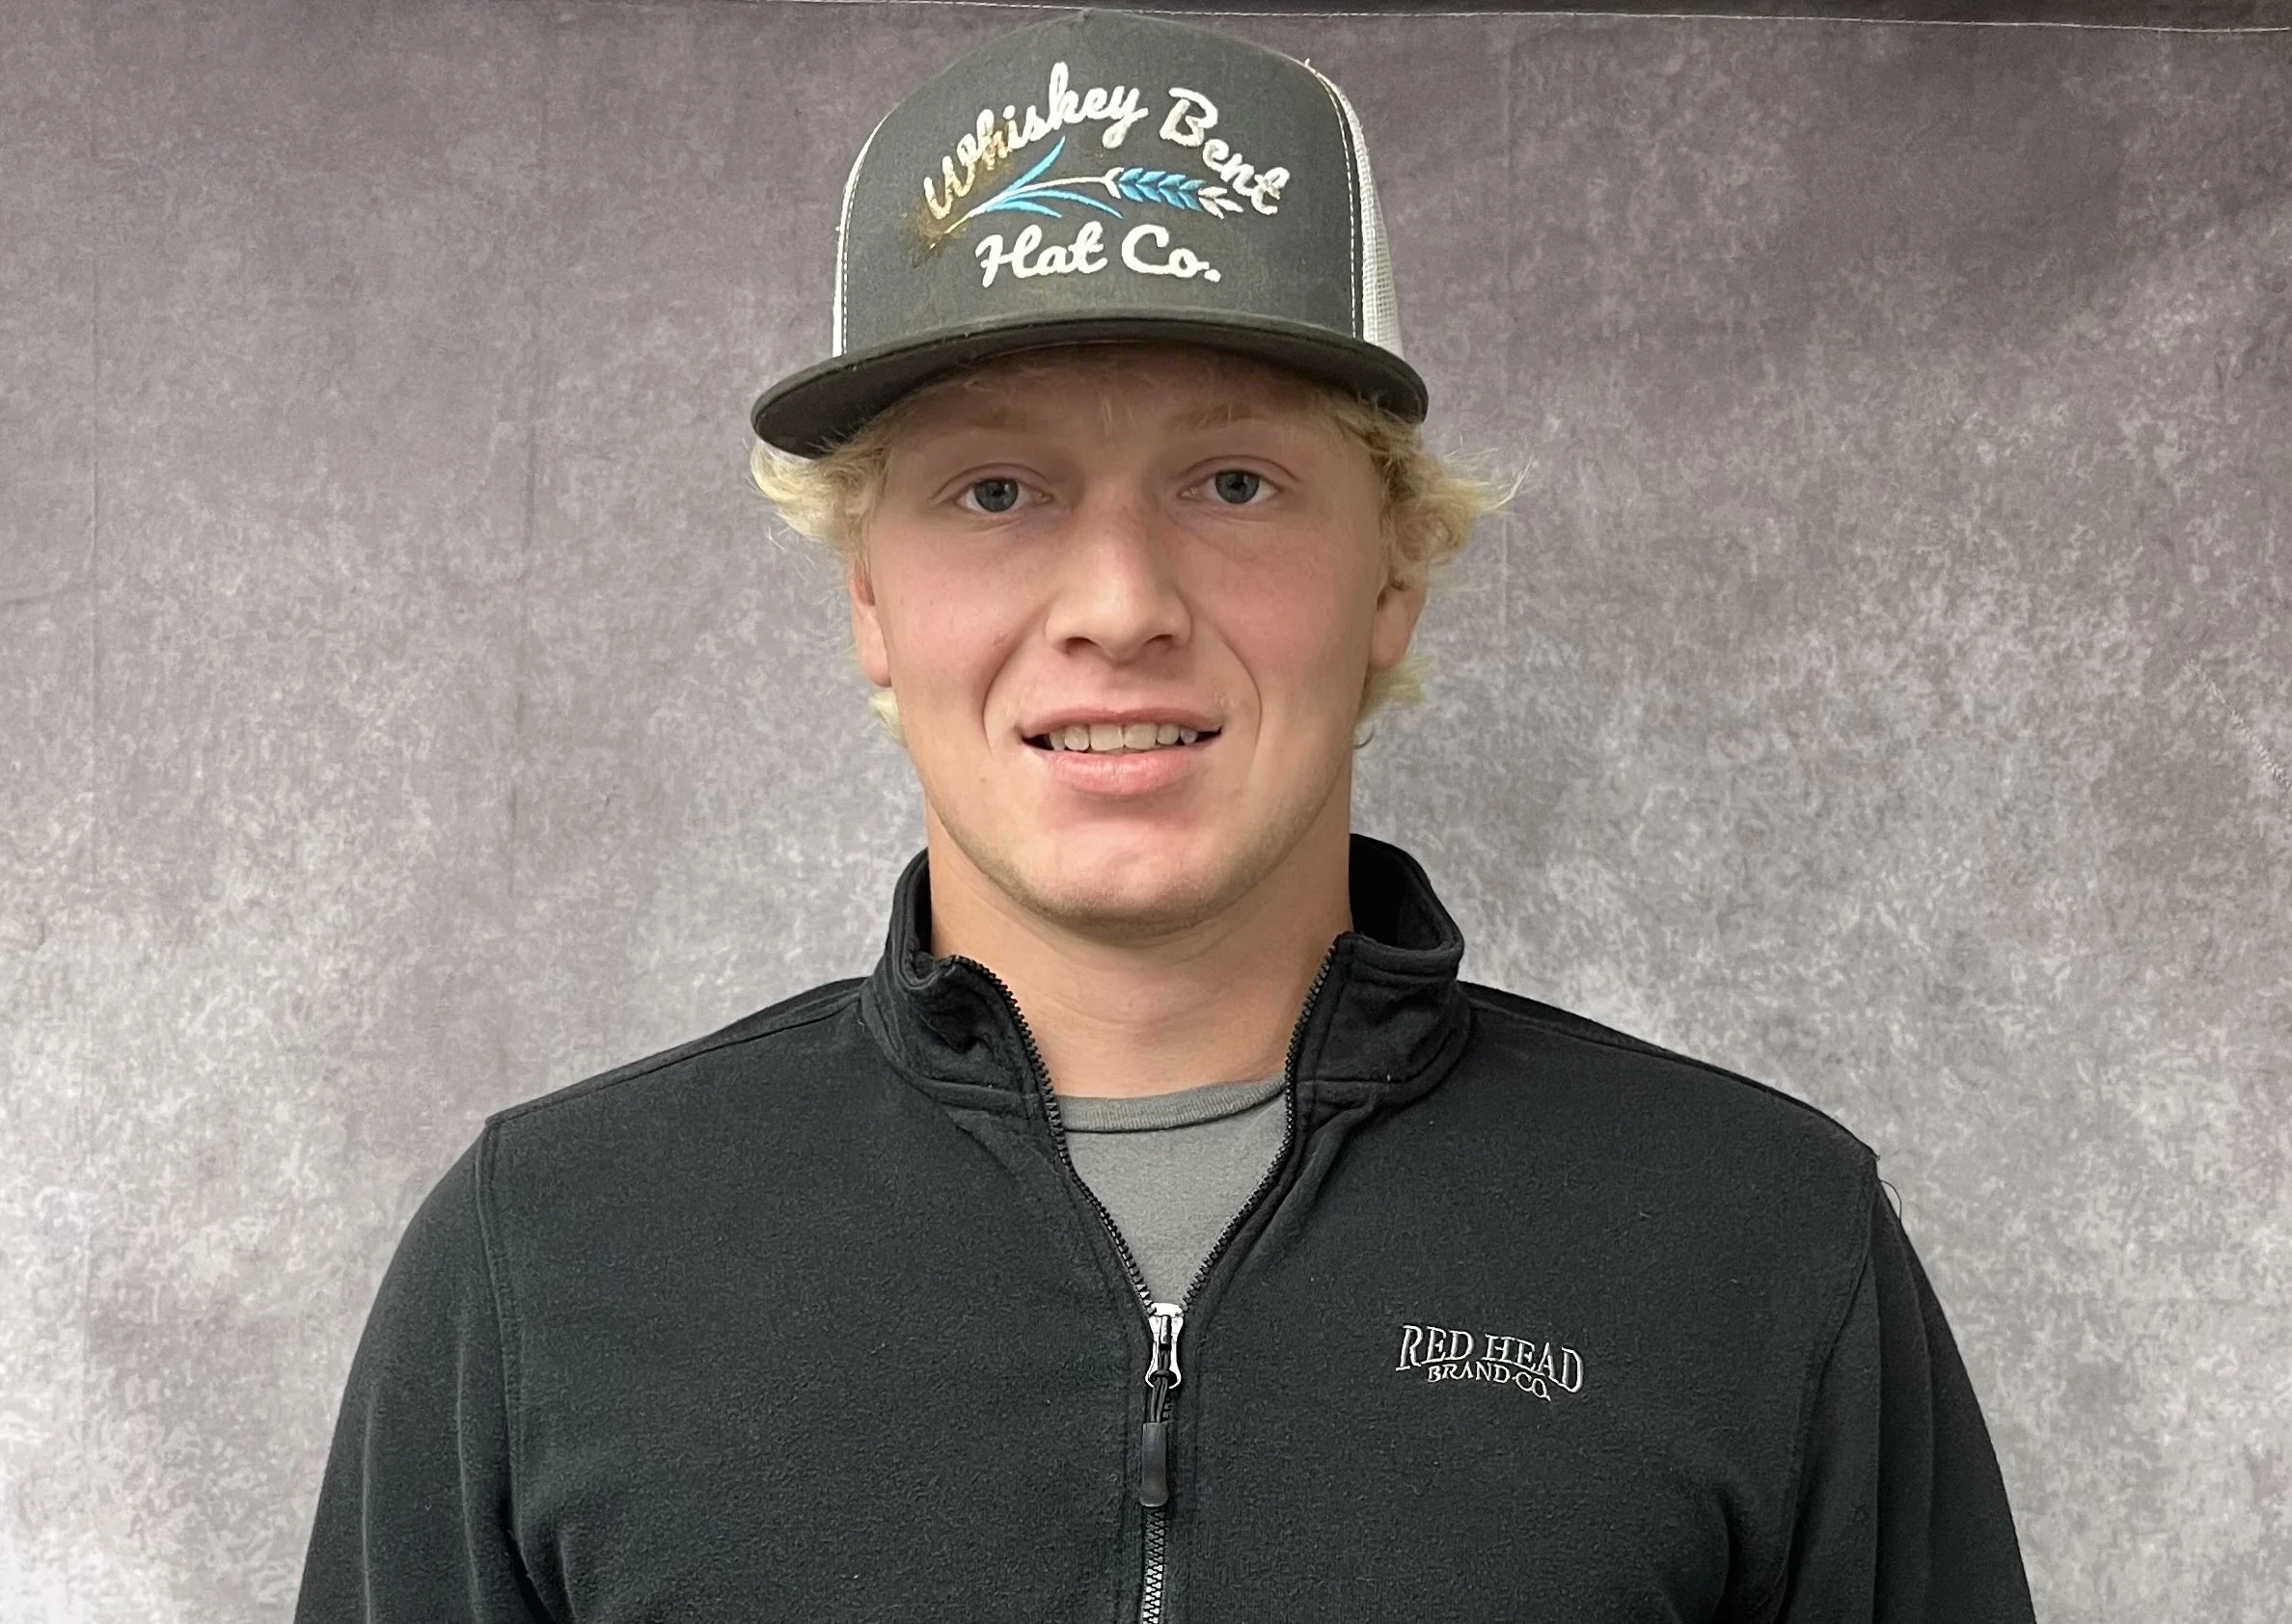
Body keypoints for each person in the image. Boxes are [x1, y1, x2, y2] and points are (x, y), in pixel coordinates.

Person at [293, 11, 2035, 1622]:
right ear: (873, 604)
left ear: (1391, 581)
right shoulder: (548, 1262)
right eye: (994, 489)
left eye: (1233, 483)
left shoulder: (1760, 1248)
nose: (1118, 599)